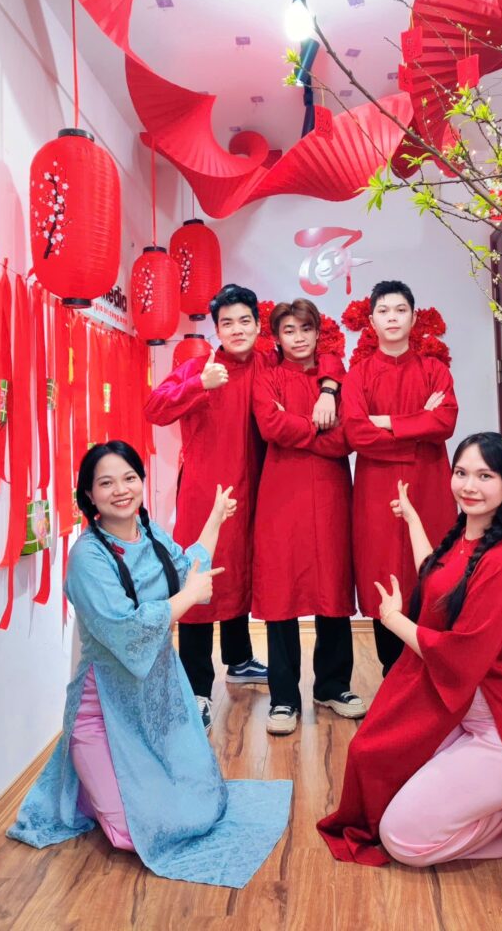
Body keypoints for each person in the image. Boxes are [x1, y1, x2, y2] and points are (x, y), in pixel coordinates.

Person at [7, 441, 292, 888]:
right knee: (132, 833)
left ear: (141, 481)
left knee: (201, 807)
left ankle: (115, 783)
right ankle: (88, 784)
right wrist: (188, 597)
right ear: (89, 494)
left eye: (129, 478)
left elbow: (187, 567)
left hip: (158, 697)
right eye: (106, 483)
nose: (121, 490)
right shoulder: (87, 558)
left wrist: (216, 519)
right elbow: (127, 629)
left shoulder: (149, 532)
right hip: (103, 710)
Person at [317, 432, 502, 867]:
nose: (469, 486)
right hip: (460, 714)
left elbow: (460, 655)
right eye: (461, 473)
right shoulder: (465, 542)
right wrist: (412, 519)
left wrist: (394, 620)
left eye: (484, 476)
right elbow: (438, 577)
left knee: (400, 840)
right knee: (379, 758)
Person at [145, 283, 341, 730]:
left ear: (258, 325)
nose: (237, 329)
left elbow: (326, 356)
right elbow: (154, 408)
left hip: (262, 490)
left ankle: (239, 658)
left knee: (245, 571)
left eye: (245, 321)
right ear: (216, 329)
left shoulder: (270, 364)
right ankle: (197, 687)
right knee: (202, 578)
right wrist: (197, 384)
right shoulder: (200, 367)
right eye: (227, 323)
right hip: (206, 492)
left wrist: (329, 388)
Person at [252, 299, 366, 735]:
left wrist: (298, 425)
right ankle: (284, 697)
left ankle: (333, 685)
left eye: (305, 329)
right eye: (289, 330)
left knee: (332, 586)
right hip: (281, 494)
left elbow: (346, 439)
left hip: (331, 494)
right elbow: (270, 427)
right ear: (276, 337)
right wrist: (316, 426)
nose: (298, 338)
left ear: (318, 333)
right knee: (281, 592)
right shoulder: (268, 378)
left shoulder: (336, 379)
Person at [341, 279, 458, 674]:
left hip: (429, 486)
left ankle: (435, 672)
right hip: (376, 489)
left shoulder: (434, 370)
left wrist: (387, 421)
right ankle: (392, 675)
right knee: (383, 571)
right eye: (384, 311)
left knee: (432, 570)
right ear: (371, 321)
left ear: (413, 317)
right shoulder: (358, 375)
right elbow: (356, 434)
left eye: (400, 310)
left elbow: (445, 422)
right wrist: (418, 426)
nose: (392, 318)